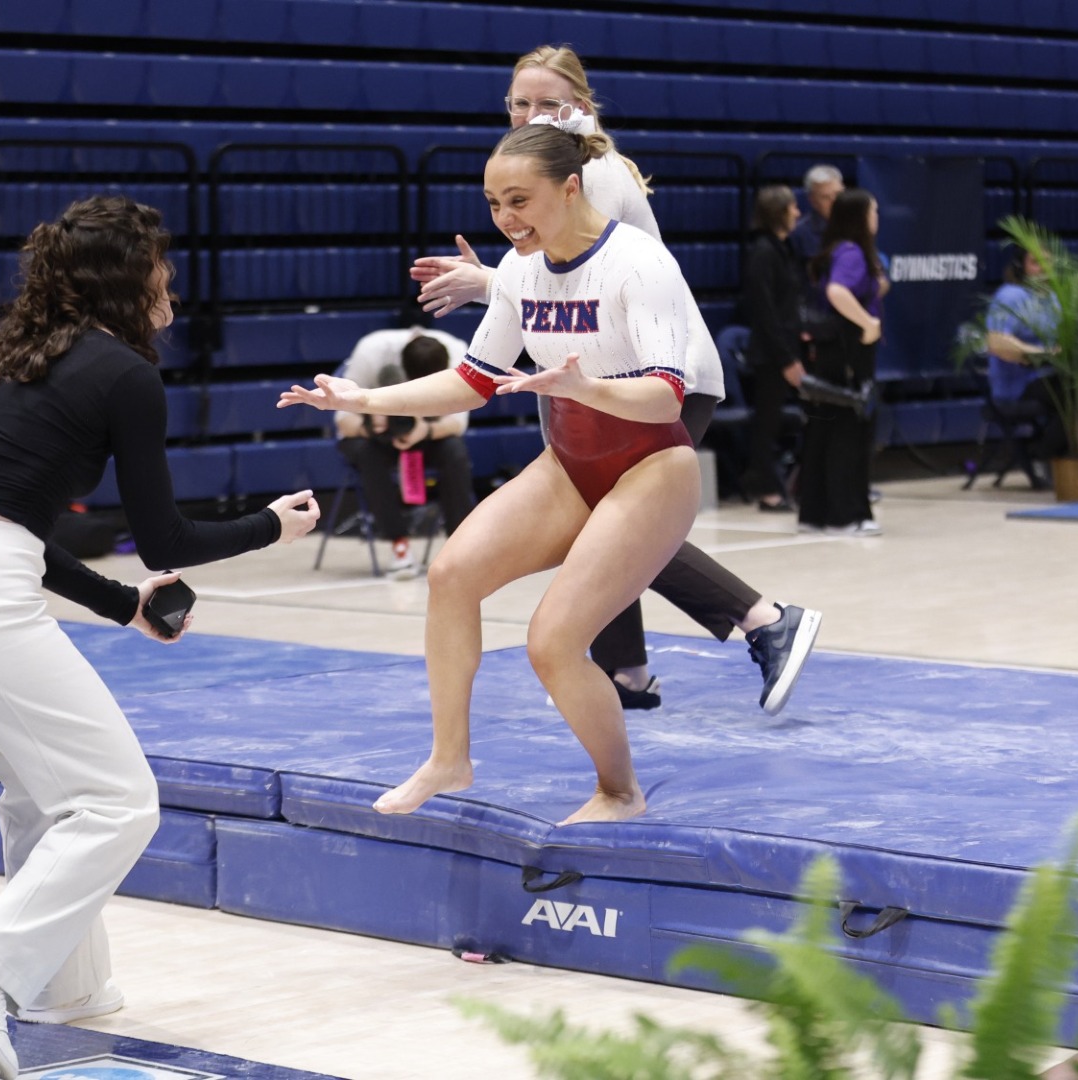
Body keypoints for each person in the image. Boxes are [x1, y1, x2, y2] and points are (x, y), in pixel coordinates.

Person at [0, 196, 320, 1080]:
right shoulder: (125, 374)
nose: (169, 280)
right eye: (158, 264)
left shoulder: (13, 357)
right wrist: (271, 527)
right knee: (120, 803)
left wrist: (122, 605)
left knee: (41, 795)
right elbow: (168, 542)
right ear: (129, 279)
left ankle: (62, 990)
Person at [285, 119, 707, 826]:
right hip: (571, 460)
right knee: (451, 576)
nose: (506, 220)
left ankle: (618, 790)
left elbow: (669, 392)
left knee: (552, 641)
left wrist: (587, 388)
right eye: (492, 204)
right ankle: (450, 757)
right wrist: (365, 398)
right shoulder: (518, 270)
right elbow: (473, 380)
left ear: (570, 189)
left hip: (654, 464)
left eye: (520, 201)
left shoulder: (639, 261)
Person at [410, 45, 820, 715]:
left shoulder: (585, 175)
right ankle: (625, 672)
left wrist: (486, 281)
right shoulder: (542, 170)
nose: (531, 113)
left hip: (652, 376)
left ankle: (763, 619)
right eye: (520, 102)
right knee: (601, 522)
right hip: (592, 381)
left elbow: (572, 277)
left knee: (619, 525)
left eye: (547, 102)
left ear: (581, 105)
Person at [332, 326, 475, 577]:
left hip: (426, 431)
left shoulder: (458, 354)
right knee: (367, 454)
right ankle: (399, 545)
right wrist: (372, 427)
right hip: (374, 436)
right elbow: (343, 420)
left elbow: (458, 424)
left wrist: (424, 431)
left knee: (454, 450)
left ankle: (461, 548)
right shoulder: (371, 351)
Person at [797, 189, 886, 536]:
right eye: (873, 211)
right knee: (850, 431)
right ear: (860, 217)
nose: (877, 217)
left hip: (832, 352)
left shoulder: (837, 250)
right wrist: (869, 323)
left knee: (824, 429)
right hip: (850, 352)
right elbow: (838, 292)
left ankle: (815, 514)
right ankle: (846, 516)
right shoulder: (852, 251)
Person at [739, 185, 806, 512]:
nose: (798, 212)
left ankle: (784, 483)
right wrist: (786, 359)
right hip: (771, 355)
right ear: (779, 211)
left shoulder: (784, 248)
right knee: (766, 424)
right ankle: (765, 489)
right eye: (793, 207)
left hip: (784, 349)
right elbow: (765, 312)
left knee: (776, 422)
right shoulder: (763, 252)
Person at [983, 248, 1066, 470]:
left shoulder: (1054, 299)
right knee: (1071, 393)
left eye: (1047, 263)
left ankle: (1065, 459)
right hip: (1017, 386)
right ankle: (1043, 455)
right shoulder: (1010, 296)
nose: (1043, 269)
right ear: (1021, 267)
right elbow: (996, 342)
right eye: (1035, 263)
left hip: (1049, 376)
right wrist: (1039, 354)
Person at [789, 164, 844, 265]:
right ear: (812, 201)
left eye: (837, 194)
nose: (834, 201)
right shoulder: (799, 233)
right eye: (825, 197)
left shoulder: (857, 225)